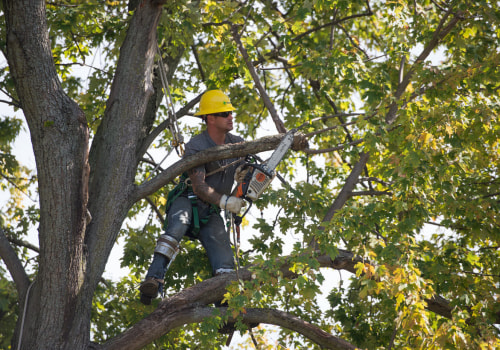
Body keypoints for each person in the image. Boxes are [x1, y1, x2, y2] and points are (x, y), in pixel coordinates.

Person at [139, 89, 247, 305]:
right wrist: (227, 202)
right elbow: (198, 187)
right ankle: (153, 279)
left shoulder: (238, 144)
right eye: (225, 113)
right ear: (210, 118)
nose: (230, 117)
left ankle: (228, 309)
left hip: (211, 211)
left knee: (225, 258)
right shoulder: (196, 146)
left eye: (230, 113)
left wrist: (243, 181)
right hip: (188, 200)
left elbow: (250, 176)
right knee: (177, 226)